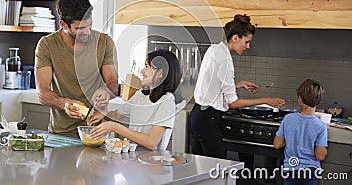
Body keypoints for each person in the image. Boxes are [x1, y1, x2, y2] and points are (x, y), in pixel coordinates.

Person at [189, 14, 285, 158]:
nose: (248, 46)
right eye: (246, 42)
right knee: (217, 168)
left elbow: (212, 84)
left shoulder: (214, 49)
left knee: (200, 169)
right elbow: (233, 103)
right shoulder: (226, 61)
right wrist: (266, 100)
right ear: (235, 38)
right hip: (208, 120)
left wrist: (237, 84)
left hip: (197, 115)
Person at [35, 0, 119, 138]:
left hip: (97, 132)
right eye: (80, 28)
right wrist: (64, 103)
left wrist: (106, 91)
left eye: (89, 25)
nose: (86, 32)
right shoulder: (47, 45)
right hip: (60, 133)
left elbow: (113, 83)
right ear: (63, 24)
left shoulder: (104, 42)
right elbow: (42, 92)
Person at [87, 49, 182, 150]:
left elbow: (152, 142)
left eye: (147, 67)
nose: (142, 71)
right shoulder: (140, 94)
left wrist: (114, 127)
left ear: (160, 74)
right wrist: (102, 114)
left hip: (152, 162)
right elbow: (116, 115)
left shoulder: (166, 100)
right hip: (133, 157)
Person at [274, 79, 327, 185]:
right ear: (319, 101)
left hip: (290, 169)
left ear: (299, 99)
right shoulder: (320, 126)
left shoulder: (288, 119)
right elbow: (320, 156)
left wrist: (290, 141)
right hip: (310, 172)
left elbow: (277, 144)